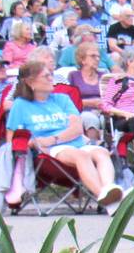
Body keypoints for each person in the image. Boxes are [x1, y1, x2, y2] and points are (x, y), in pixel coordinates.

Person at [6, 60, 124, 208]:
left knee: (102, 152)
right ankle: (104, 197)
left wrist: (53, 139)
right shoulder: (21, 105)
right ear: (31, 82)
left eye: (51, 75)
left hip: (72, 142)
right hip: (48, 154)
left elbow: (77, 128)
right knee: (81, 155)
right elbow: (12, 138)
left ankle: (108, 190)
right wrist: (32, 143)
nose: (52, 79)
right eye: (46, 76)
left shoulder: (62, 99)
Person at [67, 41, 108, 136]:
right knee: (90, 118)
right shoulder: (73, 76)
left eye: (98, 56)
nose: (97, 59)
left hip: (102, 111)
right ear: (82, 60)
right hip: (81, 112)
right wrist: (90, 102)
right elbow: (69, 101)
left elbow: (110, 98)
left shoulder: (104, 76)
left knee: (103, 119)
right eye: (93, 56)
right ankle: (93, 145)